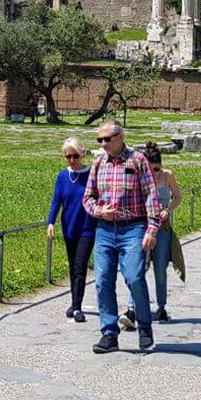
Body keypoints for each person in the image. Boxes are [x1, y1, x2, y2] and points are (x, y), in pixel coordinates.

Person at [84, 119, 162, 354]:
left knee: (135, 276)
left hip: (133, 228)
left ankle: (145, 326)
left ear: (120, 137)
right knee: (103, 281)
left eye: (107, 139)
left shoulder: (137, 160)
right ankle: (109, 334)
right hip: (105, 229)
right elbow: (88, 197)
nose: (103, 143)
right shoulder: (98, 162)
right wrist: (99, 211)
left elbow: (151, 195)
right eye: (100, 140)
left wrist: (152, 229)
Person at [47, 137, 97, 322]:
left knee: (80, 267)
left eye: (75, 156)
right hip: (69, 226)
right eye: (67, 156)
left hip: (87, 227)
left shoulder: (91, 174)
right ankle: (74, 302)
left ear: (82, 154)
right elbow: (56, 201)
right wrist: (51, 222)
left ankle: (77, 307)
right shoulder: (62, 176)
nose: (72, 160)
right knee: (72, 267)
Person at [142, 143, 182, 322]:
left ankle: (161, 305)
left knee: (160, 268)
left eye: (156, 169)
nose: (154, 174)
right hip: (143, 227)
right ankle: (133, 306)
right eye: (151, 170)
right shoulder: (140, 177)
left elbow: (178, 197)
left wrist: (169, 209)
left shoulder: (167, 176)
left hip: (162, 227)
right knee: (139, 267)